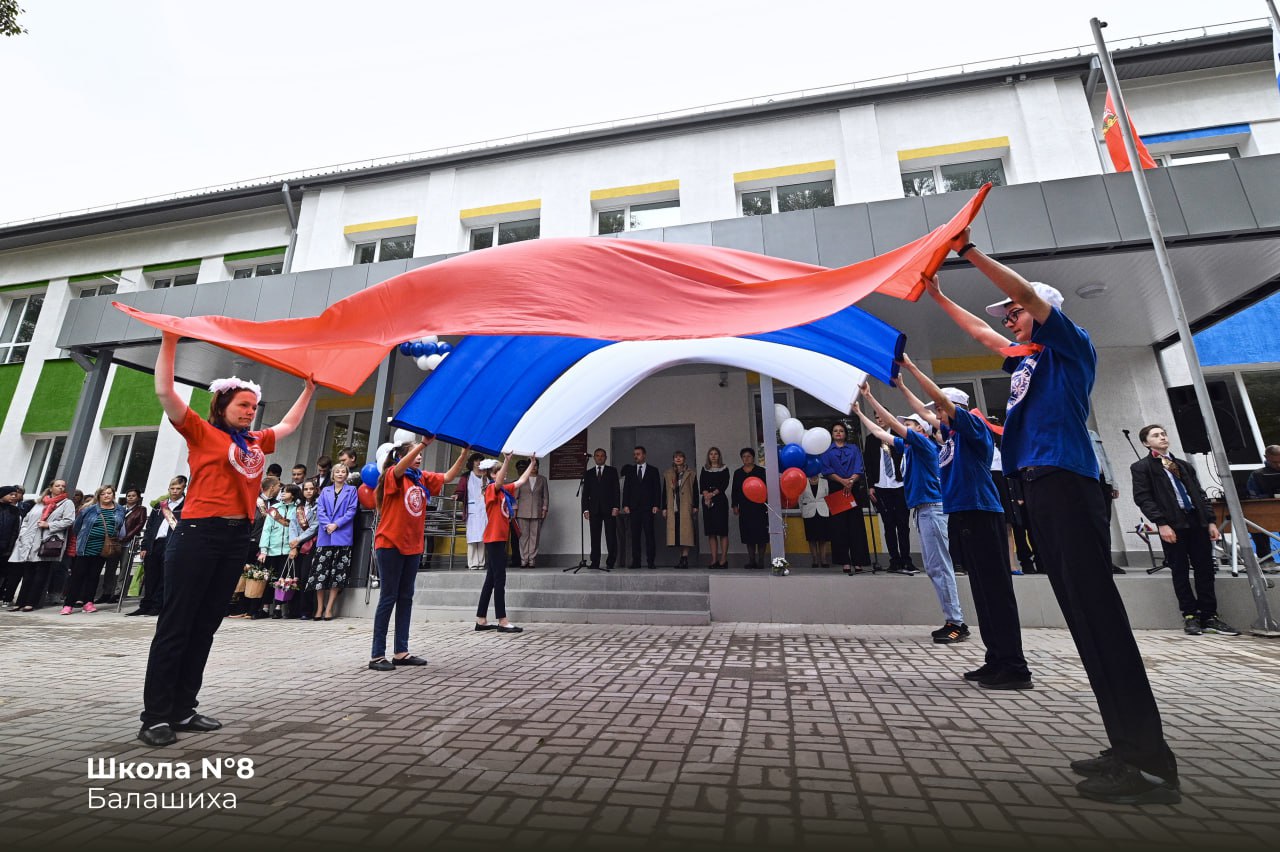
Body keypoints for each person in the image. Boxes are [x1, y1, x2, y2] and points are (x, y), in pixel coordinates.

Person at [926, 229, 1179, 805]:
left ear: (1043, 312)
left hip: (1067, 484)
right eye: (1011, 315)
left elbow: (1028, 300)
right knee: (1084, 620)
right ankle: (1126, 747)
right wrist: (937, 296)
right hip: (1036, 490)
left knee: (1100, 618)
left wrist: (969, 253)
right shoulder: (1026, 360)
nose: (1011, 319)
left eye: (1017, 311)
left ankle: (1151, 763)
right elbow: (983, 333)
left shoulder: (1071, 345)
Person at [139, 331, 313, 747]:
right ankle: (155, 717)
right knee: (177, 624)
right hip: (199, 535)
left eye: (254, 407)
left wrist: (309, 388)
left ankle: (183, 708)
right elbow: (165, 390)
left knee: (206, 626)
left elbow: (288, 424)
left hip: (236, 538)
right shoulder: (201, 432)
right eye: (243, 406)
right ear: (222, 405)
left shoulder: (256, 440)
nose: (250, 412)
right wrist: (169, 341)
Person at [899, 356, 1033, 688]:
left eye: (942, 410)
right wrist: (902, 387)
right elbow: (928, 413)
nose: (936, 416)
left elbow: (939, 406)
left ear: (955, 407)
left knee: (997, 593)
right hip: (966, 515)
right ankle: (995, 659)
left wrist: (912, 368)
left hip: (983, 513)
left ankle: (1015, 666)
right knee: (983, 592)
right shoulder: (952, 438)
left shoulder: (972, 427)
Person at [854, 387, 967, 644]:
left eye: (910, 424)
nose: (905, 426)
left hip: (932, 510)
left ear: (921, 429)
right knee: (934, 567)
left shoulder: (925, 445)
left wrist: (871, 397)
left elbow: (891, 423)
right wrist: (860, 413)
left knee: (941, 567)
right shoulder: (910, 449)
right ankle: (953, 619)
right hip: (924, 511)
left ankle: (957, 622)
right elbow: (881, 432)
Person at [1130, 424, 1239, 636]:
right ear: (1146, 442)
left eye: (1163, 434)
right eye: (1155, 435)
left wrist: (1210, 521)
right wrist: (1161, 523)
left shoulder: (1182, 465)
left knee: (1205, 568)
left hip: (1196, 522)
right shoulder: (1142, 467)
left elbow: (1198, 493)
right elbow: (1143, 497)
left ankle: (1209, 615)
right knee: (1179, 569)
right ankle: (1190, 615)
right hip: (1172, 524)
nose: (1162, 437)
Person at [369, 437, 468, 671]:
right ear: (403, 456)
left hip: (413, 546)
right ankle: (376, 656)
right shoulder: (393, 475)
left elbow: (447, 478)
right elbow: (400, 466)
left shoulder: (421, 478)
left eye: (420, 453)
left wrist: (463, 454)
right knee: (388, 597)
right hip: (390, 544)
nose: (420, 456)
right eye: (415, 453)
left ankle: (401, 652)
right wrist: (422, 444)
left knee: (406, 598)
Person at [475, 454, 536, 633]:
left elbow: (521, 481)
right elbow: (500, 482)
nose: (505, 473)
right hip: (494, 539)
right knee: (499, 579)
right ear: (493, 474)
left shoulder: (503, 490)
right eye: (500, 471)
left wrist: (532, 464)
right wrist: (507, 461)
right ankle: (502, 620)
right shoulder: (492, 489)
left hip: (500, 538)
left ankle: (481, 619)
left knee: (491, 579)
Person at [8, 479, 75, 612]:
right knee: (27, 573)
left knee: (41, 573)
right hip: (29, 541)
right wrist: (23, 533)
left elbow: (69, 520)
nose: (61, 488)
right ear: (51, 488)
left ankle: (31, 602)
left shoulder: (67, 503)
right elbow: (27, 519)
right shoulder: (40, 502)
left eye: (63, 486)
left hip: (48, 542)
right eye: (57, 486)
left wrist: (49, 525)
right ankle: (20, 601)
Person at [864, 413, 917, 576]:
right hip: (881, 486)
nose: (879, 420)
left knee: (902, 524)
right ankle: (894, 560)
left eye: (882, 417)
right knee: (888, 524)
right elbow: (868, 462)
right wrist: (871, 485)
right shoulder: (871, 439)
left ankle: (906, 559)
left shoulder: (897, 435)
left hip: (899, 484)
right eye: (877, 418)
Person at [61, 485, 125, 615]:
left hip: (104, 548)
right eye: (103, 494)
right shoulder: (89, 509)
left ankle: (88, 602)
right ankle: (69, 604)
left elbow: (120, 528)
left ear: (113, 495)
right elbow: (76, 527)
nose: (107, 496)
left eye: (109, 493)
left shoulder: (120, 510)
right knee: (78, 575)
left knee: (94, 575)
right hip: (86, 546)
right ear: (99, 496)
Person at [128, 477, 185, 617]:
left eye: (178, 488)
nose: (175, 491)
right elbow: (150, 527)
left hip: (173, 544)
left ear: (184, 489)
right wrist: (145, 546)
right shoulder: (161, 506)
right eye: (172, 488)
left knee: (164, 576)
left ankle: (157, 605)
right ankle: (145, 605)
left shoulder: (187, 505)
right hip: (155, 544)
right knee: (150, 576)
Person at [820, 423, 871, 575]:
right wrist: (843, 482)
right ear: (832, 434)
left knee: (856, 526)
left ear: (845, 434)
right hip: (836, 488)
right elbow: (826, 469)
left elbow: (859, 467)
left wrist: (851, 481)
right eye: (835, 431)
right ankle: (845, 561)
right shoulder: (826, 450)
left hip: (853, 488)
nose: (838, 433)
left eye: (841, 431)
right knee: (839, 528)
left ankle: (858, 561)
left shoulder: (854, 448)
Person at [311, 462, 359, 620]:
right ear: (333, 474)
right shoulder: (325, 490)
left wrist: (336, 524)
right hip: (325, 536)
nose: (340, 474)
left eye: (343, 472)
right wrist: (327, 525)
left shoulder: (351, 490)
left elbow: (352, 510)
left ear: (346, 474)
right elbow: (320, 510)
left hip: (342, 535)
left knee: (337, 573)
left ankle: (329, 608)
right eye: (337, 471)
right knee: (321, 574)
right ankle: (319, 608)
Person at [257, 484, 299, 620]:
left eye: (285, 492)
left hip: (287, 550)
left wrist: (294, 547)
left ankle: (278, 607)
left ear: (292, 494)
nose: (282, 494)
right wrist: (263, 550)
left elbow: (297, 530)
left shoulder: (297, 510)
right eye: (282, 491)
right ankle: (265, 607)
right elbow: (266, 530)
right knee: (269, 579)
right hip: (272, 550)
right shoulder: (274, 510)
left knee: (283, 580)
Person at [99, 487, 148, 603]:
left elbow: (140, 524)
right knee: (110, 567)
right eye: (128, 496)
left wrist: (127, 537)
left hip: (128, 543)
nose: (130, 498)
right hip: (115, 542)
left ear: (138, 497)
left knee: (124, 568)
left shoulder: (141, 509)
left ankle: (117, 593)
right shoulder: (119, 508)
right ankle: (106, 592)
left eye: (133, 496)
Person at [621, 446, 663, 570]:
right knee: (635, 536)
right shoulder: (630, 471)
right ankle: (636, 561)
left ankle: (651, 561)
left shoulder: (653, 470)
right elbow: (626, 489)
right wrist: (625, 505)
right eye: (634, 454)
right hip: (634, 508)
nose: (636, 456)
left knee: (649, 535)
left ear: (644, 455)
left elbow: (657, 489)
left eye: (638, 454)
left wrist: (656, 505)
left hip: (648, 508)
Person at [581, 448, 620, 570]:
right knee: (595, 537)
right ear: (594, 458)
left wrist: (616, 506)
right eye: (597, 456)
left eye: (602, 456)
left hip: (609, 509)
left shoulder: (612, 471)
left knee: (611, 537)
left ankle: (611, 562)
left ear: (606, 457)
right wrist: (585, 509)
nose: (599, 458)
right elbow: (585, 493)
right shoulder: (588, 473)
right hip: (594, 510)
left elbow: (616, 491)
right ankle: (595, 562)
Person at [731, 448, 768, 569]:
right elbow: (735, 491)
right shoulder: (738, 473)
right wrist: (734, 505)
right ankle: (751, 560)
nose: (746, 459)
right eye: (744, 457)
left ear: (753, 458)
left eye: (749, 456)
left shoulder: (761, 471)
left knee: (761, 534)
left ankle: (761, 560)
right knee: (748, 534)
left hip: (759, 506)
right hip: (745, 507)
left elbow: (767, 488)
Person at [287, 480, 319, 618]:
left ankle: (306, 610)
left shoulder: (319, 506)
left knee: (306, 576)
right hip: (297, 544)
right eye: (306, 489)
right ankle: (292, 610)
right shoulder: (298, 507)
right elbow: (293, 525)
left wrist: (299, 540)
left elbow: (315, 527)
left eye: (311, 489)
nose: (309, 491)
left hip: (310, 544)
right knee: (295, 577)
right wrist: (293, 542)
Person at [663, 451, 698, 568]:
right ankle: (681, 558)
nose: (678, 459)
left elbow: (695, 491)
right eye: (676, 457)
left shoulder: (691, 473)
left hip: (686, 506)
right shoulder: (668, 474)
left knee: (686, 533)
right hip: (673, 507)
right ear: (673, 459)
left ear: (684, 459)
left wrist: (695, 506)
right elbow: (664, 492)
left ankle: (685, 558)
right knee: (676, 534)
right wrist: (664, 507)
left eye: (680, 457)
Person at [1245, 445, 1280, 561]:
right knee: (1256, 523)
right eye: (1274, 462)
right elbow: (1252, 496)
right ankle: (1266, 560)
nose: (1278, 465)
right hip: (1266, 512)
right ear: (1266, 457)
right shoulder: (1256, 475)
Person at [514, 459, 549, 568]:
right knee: (523, 537)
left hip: (537, 511)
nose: (534, 468)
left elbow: (545, 496)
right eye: (531, 465)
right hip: (522, 511)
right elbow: (515, 496)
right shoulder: (522, 479)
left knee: (535, 536)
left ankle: (532, 559)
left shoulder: (542, 479)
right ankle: (524, 559)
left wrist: (544, 509)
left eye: (535, 465)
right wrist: (514, 510)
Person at [699, 447, 730, 568]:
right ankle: (714, 559)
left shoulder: (724, 468)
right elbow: (702, 483)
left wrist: (713, 494)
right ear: (708, 456)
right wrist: (706, 494)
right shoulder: (705, 469)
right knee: (711, 532)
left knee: (722, 531)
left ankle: (723, 559)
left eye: (716, 454)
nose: (713, 456)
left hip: (720, 500)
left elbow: (724, 484)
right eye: (711, 454)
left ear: (719, 456)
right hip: (707, 501)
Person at [459, 453, 488, 571]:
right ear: (472, 462)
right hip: (471, 509)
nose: (478, 462)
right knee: (472, 537)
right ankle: (472, 563)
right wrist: (457, 495)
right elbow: (460, 490)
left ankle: (481, 562)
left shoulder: (487, 476)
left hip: (484, 509)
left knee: (482, 537)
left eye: (480, 460)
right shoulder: (466, 476)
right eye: (476, 460)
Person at [797, 470, 831, 567]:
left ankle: (824, 560)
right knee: (811, 538)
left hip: (823, 512)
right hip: (809, 512)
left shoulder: (825, 482)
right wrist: (803, 511)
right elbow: (800, 499)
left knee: (823, 538)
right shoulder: (803, 482)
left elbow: (828, 496)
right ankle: (815, 560)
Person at [0, 486, 23, 603]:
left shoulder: (15, 511)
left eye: (15, 494)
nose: (14, 496)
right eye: (11, 494)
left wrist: (10, 548)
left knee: (3, 573)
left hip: (5, 548)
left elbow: (15, 531)